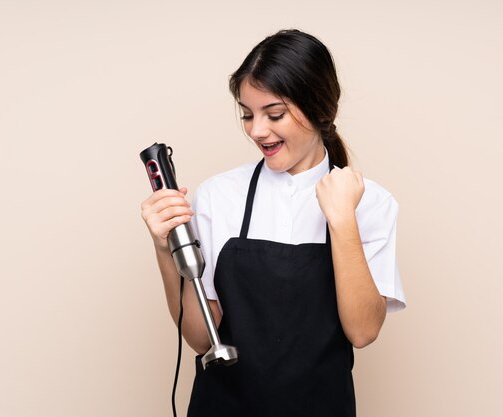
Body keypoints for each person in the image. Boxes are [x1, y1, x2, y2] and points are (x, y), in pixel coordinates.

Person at [141, 29, 406, 417]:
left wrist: (342, 220)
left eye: (274, 114)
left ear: (321, 110)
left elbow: (363, 331)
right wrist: (166, 248)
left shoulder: (372, 203)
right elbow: (201, 338)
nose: (257, 130)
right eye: (247, 114)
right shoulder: (219, 195)